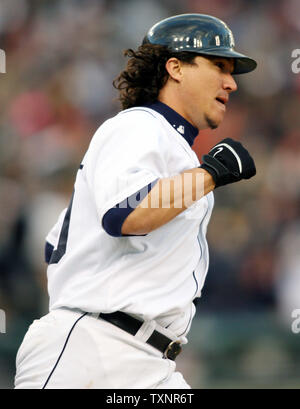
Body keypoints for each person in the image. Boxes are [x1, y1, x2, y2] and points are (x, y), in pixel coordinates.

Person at [14, 13, 257, 389]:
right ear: (175, 67)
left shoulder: (167, 145)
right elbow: (124, 214)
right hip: (92, 348)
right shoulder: (139, 125)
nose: (231, 82)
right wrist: (212, 173)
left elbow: (55, 243)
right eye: (219, 65)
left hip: (148, 359)